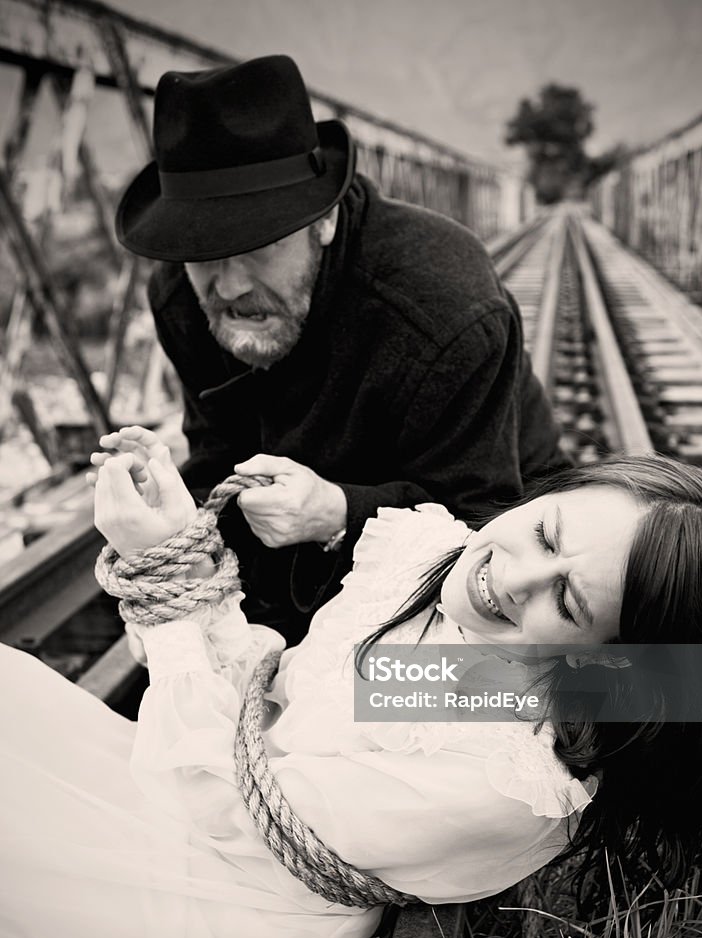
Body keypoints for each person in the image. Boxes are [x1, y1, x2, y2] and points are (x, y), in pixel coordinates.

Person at [0, 431, 702, 938]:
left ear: (610, 667)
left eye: (570, 604)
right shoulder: (462, 617)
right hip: (189, 814)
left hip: (216, 913)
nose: (512, 579)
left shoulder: (504, 774)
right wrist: (185, 567)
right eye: (548, 536)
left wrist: (162, 593)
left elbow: (234, 812)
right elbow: (283, 709)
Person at [108, 54, 570, 646]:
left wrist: (338, 511)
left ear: (322, 220)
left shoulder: (445, 310)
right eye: (202, 251)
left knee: (396, 699)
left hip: (481, 534)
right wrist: (170, 564)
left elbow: (480, 515)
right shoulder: (179, 296)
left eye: (255, 245)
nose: (229, 285)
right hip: (296, 543)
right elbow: (215, 452)